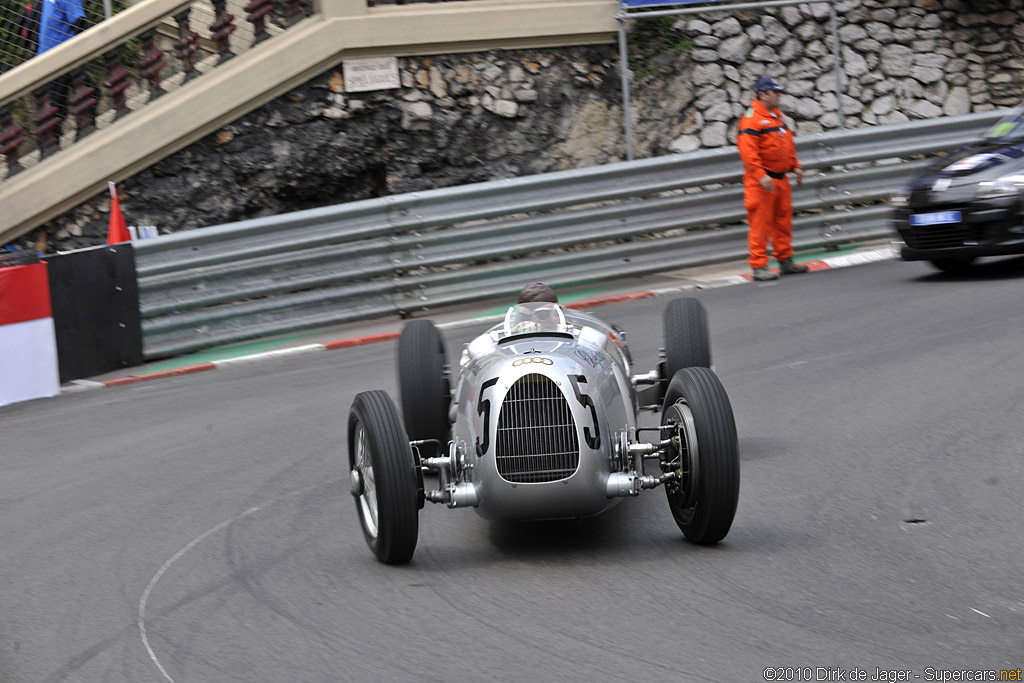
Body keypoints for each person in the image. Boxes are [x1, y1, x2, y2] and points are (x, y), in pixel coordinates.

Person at [737, 76, 810, 282]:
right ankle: (759, 266)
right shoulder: (752, 118)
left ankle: (785, 261)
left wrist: (795, 166)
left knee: (782, 221)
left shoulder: (777, 116)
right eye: (775, 92)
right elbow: (747, 151)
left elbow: (786, 144)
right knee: (760, 224)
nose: (779, 95)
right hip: (762, 183)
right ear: (763, 94)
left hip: (780, 180)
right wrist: (761, 175)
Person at [36, 0, 86, 125]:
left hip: (47, 57)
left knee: (57, 106)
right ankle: (85, 127)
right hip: (63, 55)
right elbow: (80, 22)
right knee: (58, 106)